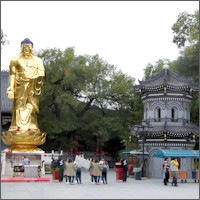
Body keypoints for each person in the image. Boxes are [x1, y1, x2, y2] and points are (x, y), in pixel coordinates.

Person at [6, 38, 45, 132]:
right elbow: (12, 74)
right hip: (19, 86)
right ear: (21, 47)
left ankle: (32, 126)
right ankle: (16, 126)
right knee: (18, 106)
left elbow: (42, 73)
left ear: (32, 47)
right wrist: (11, 87)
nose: (26, 49)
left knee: (30, 105)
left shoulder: (38, 60)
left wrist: (31, 78)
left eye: (29, 47)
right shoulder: (15, 60)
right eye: (24, 47)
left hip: (32, 87)